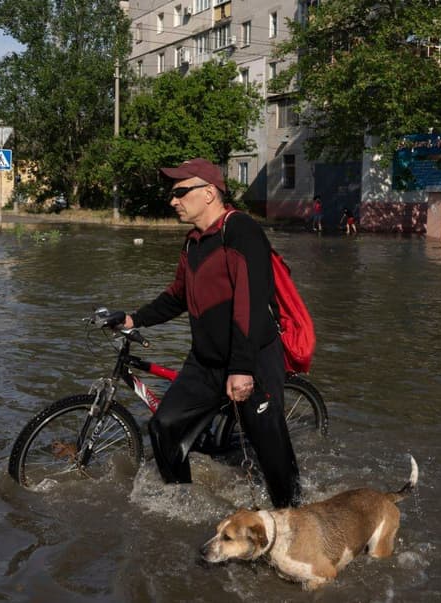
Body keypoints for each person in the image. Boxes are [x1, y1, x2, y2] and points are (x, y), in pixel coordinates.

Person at [114, 157, 302, 509]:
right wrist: (132, 318)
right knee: (165, 426)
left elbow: (250, 302)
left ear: (210, 193)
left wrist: (242, 368)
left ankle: (294, 518)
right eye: (172, 194)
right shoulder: (193, 242)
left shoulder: (241, 231)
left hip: (253, 359)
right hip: (205, 361)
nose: (173, 201)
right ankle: (184, 505)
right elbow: (177, 297)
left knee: (270, 448)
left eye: (181, 192)